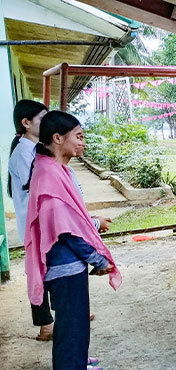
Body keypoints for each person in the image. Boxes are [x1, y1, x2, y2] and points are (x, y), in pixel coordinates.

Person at [24, 111, 121, 370]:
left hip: (68, 266)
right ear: (57, 138)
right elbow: (64, 229)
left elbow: (70, 215)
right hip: (64, 267)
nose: (83, 142)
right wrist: (97, 258)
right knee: (71, 328)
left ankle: (76, 364)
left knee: (75, 326)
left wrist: (93, 224)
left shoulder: (53, 168)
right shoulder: (48, 174)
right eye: (78, 136)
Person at [7, 100, 53, 341]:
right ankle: (45, 325)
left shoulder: (33, 149)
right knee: (38, 273)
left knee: (53, 268)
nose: (46, 124)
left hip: (43, 222)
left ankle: (65, 311)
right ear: (26, 123)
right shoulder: (23, 153)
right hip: (35, 224)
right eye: (41, 119)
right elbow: (39, 187)